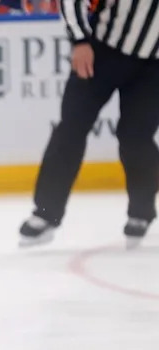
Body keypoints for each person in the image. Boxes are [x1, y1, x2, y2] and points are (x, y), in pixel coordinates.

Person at [20, 0, 159, 247]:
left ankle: (141, 210)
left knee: (136, 138)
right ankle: (45, 212)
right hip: (102, 51)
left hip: (154, 69)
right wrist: (80, 41)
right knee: (71, 128)